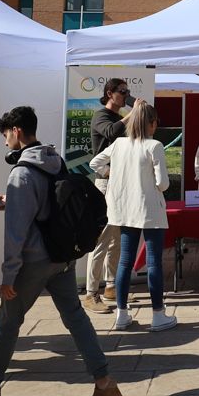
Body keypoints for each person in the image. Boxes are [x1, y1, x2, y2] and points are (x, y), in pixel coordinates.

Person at [0, 105, 121, 396]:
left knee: (8, 323)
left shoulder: (21, 173)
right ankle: (105, 384)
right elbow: (48, 205)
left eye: (6, 135)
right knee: (75, 317)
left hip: (33, 261)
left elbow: (15, 233)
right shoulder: (54, 162)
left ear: (17, 131)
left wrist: (8, 275)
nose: (5, 142)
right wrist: (13, 202)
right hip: (62, 255)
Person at [92, 98, 177, 333]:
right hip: (150, 210)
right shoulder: (154, 146)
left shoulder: (118, 144)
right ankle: (158, 314)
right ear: (151, 123)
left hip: (123, 209)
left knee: (125, 261)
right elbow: (163, 184)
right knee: (153, 263)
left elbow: (94, 162)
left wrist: (112, 173)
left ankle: (121, 314)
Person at [82, 79, 130, 315]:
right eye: (122, 92)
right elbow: (111, 132)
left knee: (117, 237)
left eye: (127, 92)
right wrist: (131, 116)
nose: (126, 96)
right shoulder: (101, 116)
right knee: (101, 238)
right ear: (110, 93)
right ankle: (91, 293)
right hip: (104, 184)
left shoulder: (120, 119)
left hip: (120, 183)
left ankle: (111, 285)